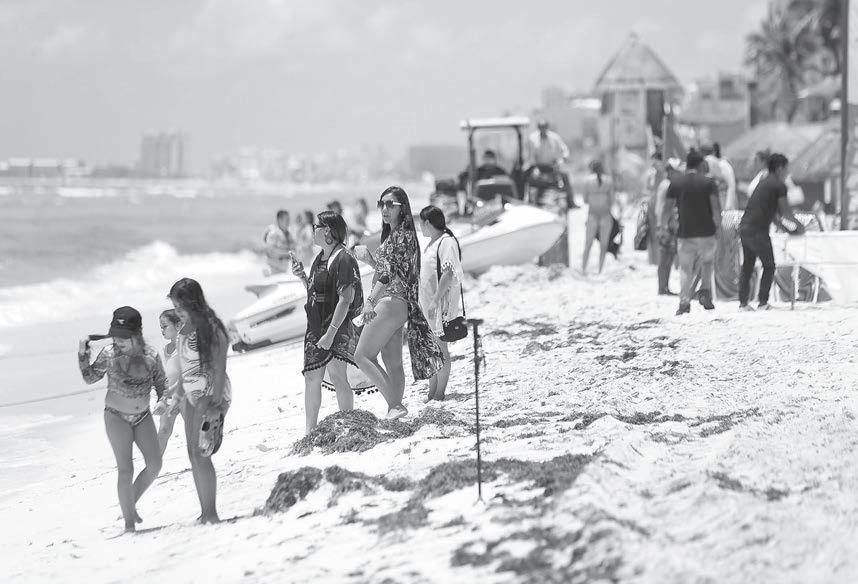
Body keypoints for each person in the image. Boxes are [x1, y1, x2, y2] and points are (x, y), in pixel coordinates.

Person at [352, 186, 444, 419]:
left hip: (389, 302)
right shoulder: (400, 235)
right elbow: (392, 272)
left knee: (362, 356)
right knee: (392, 363)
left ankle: (395, 405)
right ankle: (394, 410)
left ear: (402, 209)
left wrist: (370, 301)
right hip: (399, 305)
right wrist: (369, 260)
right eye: (381, 204)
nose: (384, 208)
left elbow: (386, 277)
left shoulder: (399, 235)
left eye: (390, 204)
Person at [78, 306, 165, 533]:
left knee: (155, 465)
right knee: (126, 469)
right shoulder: (109, 354)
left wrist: (163, 401)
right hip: (116, 417)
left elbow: (162, 385)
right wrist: (82, 356)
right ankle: (129, 523)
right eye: (115, 335)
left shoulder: (151, 355)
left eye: (124, 337)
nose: (118, 341)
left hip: (143, 416)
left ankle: (129, 503)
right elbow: (90, 378)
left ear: (137, 333)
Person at [291, 211, 363, 434]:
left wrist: (330, 333)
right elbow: (316, 292)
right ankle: (309, 431)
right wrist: (303, 277)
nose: (313, 230)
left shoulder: (343, 258)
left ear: (328, 231)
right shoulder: (320, 257)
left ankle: (349, 424)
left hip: (335, 326)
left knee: (338, 376)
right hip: (316, 326)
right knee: (312, 377)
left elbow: (346, 299)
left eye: (316, 226)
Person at [168, 278, 232, 524]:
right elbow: (185, 367)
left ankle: (211, 514)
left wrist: (216, 405)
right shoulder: (183, 329)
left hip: (211, 394)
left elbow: (220, 367)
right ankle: (205, 511)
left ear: (193, 303)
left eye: (180, 307)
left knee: (202, 452)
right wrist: (178, 396)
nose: (177, 312)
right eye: (175, 307)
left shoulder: (211, 328)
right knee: (192, 453)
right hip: (190, 394)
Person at [738, 153, 805, 311]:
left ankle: (743, 303)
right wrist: (799, 227)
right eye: (786, 169)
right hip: (758, 230)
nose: (787, 172)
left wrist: (787, 229)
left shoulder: (763, 183)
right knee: (769, 266)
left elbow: (773, 215)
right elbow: (786, 213)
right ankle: (763, 302)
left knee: (748, 266)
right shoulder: (779, 186)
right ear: (780, 168)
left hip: (745, 227)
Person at [418, 205, 465, 402]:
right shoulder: (432, 242)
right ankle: (432, 391)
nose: (420, 227)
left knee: (440, 348)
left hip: (439, 305)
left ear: (428, 223)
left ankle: (439, 393)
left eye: (421, 223)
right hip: (428, 304)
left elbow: (448, 273)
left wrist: (435, 300)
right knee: (432, 349)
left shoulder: (446, 242)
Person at [667, 151, 722, 315]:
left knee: (685, 269)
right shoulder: (709, 182)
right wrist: (718, 226)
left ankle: (684, 303)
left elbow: (666, 208)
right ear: (700, 164)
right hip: (707, 232)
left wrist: (663, 226)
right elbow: (716, 207)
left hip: (685, 232)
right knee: (707, 262)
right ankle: (705, 291)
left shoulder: (676, 182)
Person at [527, 120, 578, 208]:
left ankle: (571, 202)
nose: (543, 129)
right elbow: (531, 156)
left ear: (547, 127)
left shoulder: (555, 138)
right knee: (528, 177)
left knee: (565, 177)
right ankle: (529, 202)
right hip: (538, 167)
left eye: (544, 127)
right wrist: (535, 168)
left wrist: (562, 159)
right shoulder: (532, 139)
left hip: (553, 166)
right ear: (538, 128)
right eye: (541, 128)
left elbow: (564, 150)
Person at [154, 309, 184, 454]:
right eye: (161, 327)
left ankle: (201, 459)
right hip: (170, 396)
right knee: (164, 430)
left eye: (165, 326)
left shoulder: (185, 345)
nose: (162, 330)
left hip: (185, 394)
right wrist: (162, 398)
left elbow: (188, 371)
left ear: (178, 325)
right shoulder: (166, 348)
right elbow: (167, 375)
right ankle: (154, 463)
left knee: (193, 428)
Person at [654, 158, 684, 295]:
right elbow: (664, 208)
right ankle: (662, 287)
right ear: (671, 171)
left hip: (665, 224)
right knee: (664, 258)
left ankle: (664, 287)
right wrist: (663, 226)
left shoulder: (665, 184)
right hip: (665, 225)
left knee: (668, 257)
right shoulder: (667, 185)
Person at [581, 160, 615, 275]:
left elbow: (585, 200)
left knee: (588, 244)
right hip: (605, 215)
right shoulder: (608, 181)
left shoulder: (587, 181)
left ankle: (583, 269)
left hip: (592, 215)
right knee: (603, 245)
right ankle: (600, 270)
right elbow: (611, 201)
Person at [262, 210, 296, 274]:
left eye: (289, 220)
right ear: (279, 220)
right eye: (286, 220)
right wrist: (288, 254)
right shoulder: (273, 233)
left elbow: (294, 249)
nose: (288, 222)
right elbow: (271, 251)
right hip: (272, 269)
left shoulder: (289, 234)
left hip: (285, 268)